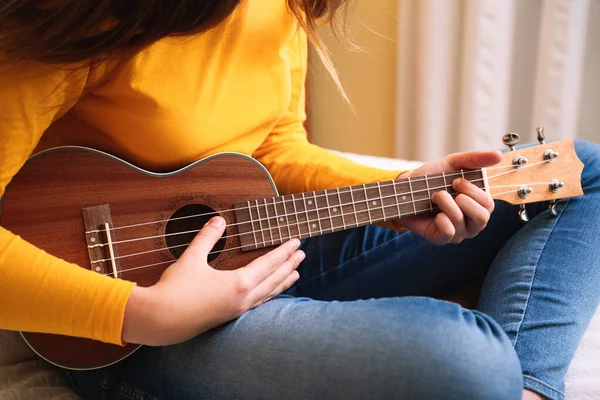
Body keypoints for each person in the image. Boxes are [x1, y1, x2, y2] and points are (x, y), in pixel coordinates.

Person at [0, 1, 598, 399]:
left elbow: (276, 150)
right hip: (133, 328)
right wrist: (147, 314)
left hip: (263, 240)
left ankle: (529, 388)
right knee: (469, 361)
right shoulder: (77, 18)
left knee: (581, 170)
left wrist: (393, 192)